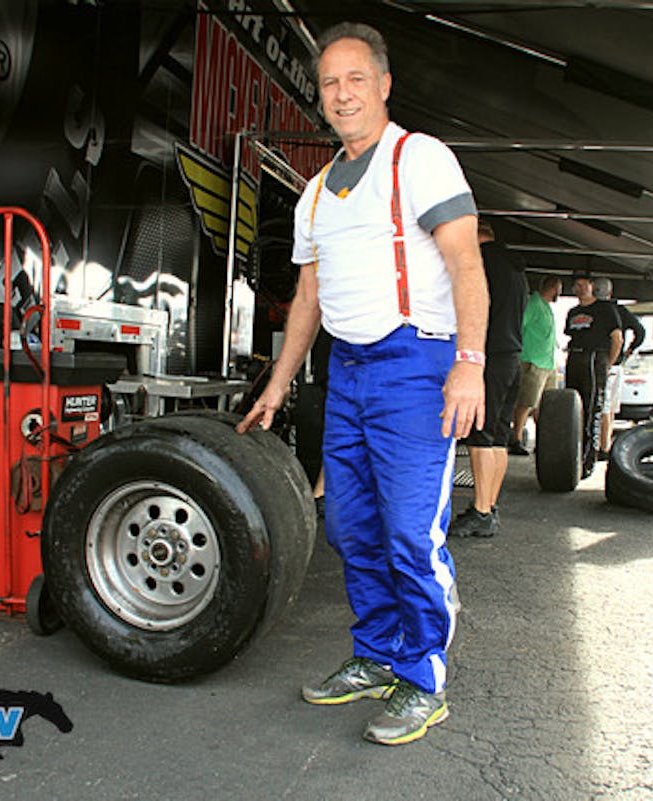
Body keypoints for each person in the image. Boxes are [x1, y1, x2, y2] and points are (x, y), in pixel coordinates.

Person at [236, 22, 487, 747]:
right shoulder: (316, 193)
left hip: (417, 364)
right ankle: (377, 654)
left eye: (355, 79)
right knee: (348, 526)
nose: (342, 94)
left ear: (383, 85)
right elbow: (308, 298)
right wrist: (278, 385)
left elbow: (466, 265)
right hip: (345, 370)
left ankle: (424, 676)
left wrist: (470, 362)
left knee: (410, 531)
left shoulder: (420, 159)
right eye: (329, 83)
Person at [449, 221, 528, 538]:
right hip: (512, 357)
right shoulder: (516, 268)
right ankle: (489, 506)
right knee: (498, 436)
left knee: (479, 435)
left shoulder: (482, 262)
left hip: (489, 356)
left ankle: (481, 512)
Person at [563, 272, 621, 478]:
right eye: (576, 285)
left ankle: (588, 461)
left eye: (584, 284)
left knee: (592, 410)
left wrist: (608, 363)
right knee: (572, 410)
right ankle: (571, 459)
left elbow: (617, 338)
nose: (580, 289)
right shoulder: (573, 312)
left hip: (595, 359)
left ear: (592, 286)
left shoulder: (606, 309)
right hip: (574, 357)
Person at [508, 275, 561, 455]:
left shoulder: (546, 306)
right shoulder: (533, 303)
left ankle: (544, 442)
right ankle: (515, 438)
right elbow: (519, 325)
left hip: (548, 363)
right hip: (533, 361)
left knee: (546, 406)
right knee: (526, 402)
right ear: (554, 288)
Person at [593, 276, 645, 460]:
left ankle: (603, 448)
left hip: (603, 363)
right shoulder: (620, 310)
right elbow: (640, 332)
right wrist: (630, 349)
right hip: (617, 365)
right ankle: (606, 444)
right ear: (610, 292)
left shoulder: (595, 310)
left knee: (602, 406)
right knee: (611, 407)